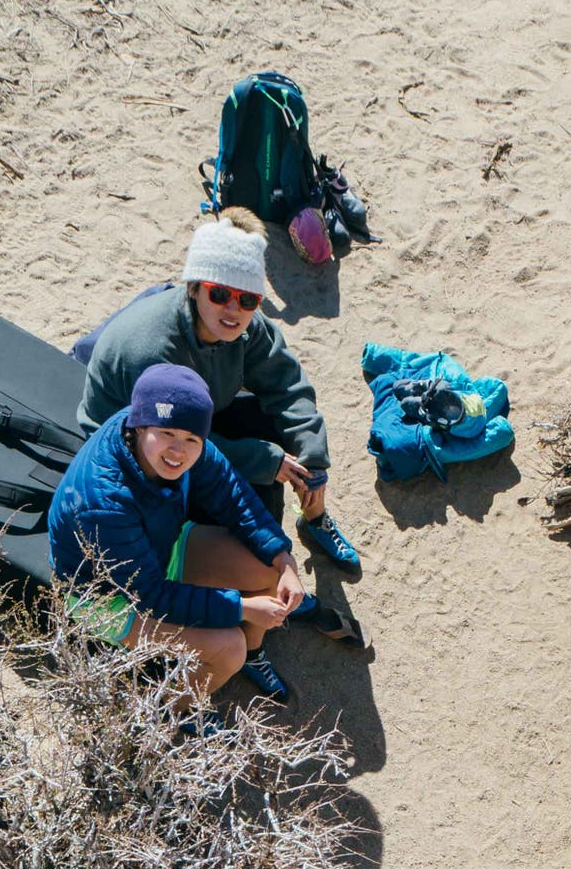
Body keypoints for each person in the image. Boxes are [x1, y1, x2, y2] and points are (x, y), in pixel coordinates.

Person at [73, 213, 365, 592]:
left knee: (284, 443)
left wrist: (311, 454)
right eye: (219, 293)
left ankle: (310, 520)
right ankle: (255, 571)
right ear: (193, 288)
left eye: (247, 299)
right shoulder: (153, 352)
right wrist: (262, 460)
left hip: (195, 417)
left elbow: (287, 384)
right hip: (140, 446)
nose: (233, 309)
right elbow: (174, 443)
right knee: (255, 469)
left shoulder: (246, 327)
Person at [43, 361, 309, 705]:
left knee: (270, 570)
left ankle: (253, 653)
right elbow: (151, 595)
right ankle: (176, 708)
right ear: (140, 426)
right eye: (166, 435)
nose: (178, 451)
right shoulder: (104, 503)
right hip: (108, 596)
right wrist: (241, 608)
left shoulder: (171, 424)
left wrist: (283, 557)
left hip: (159, 544)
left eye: (190, 440)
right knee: (230, 649)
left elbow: (231, 493)